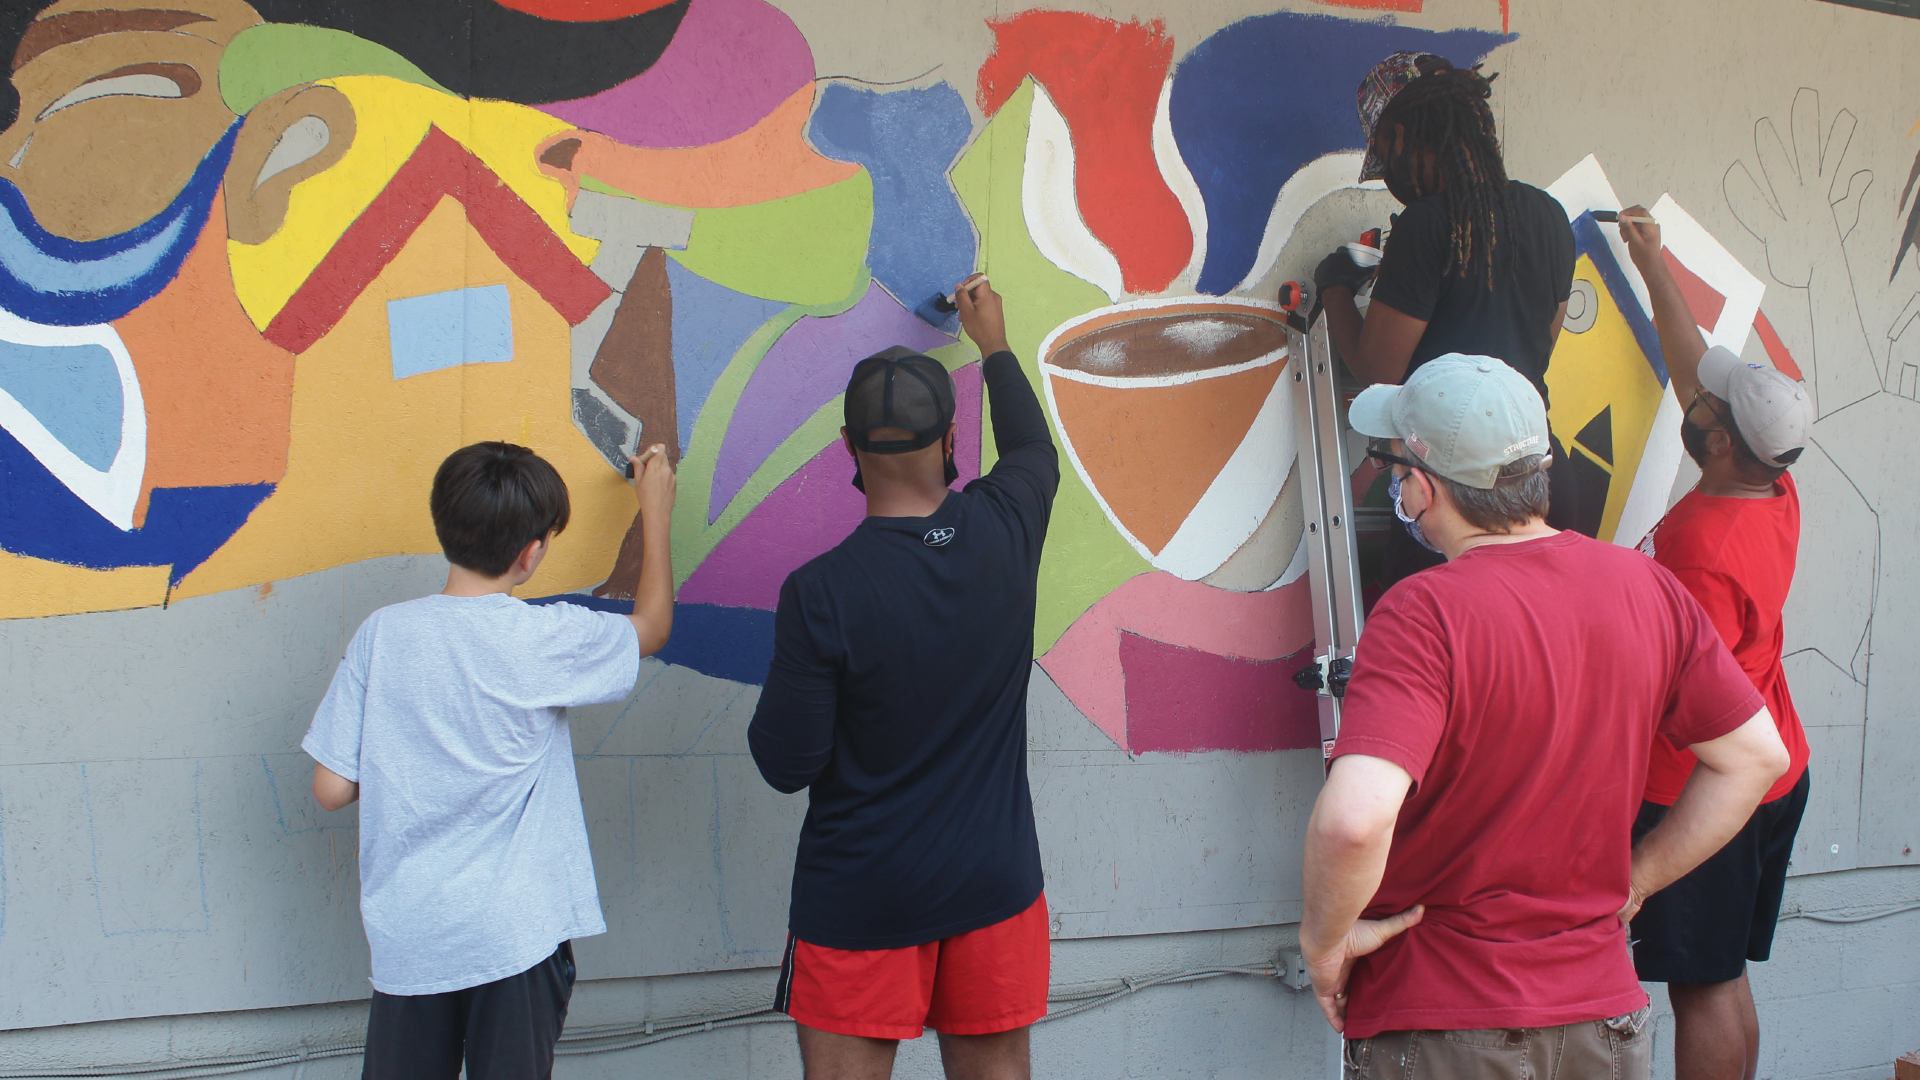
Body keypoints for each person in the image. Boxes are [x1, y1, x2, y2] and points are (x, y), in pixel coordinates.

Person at [1298, 354, 1791, 1079]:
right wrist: (1639, 881)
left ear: (1425, 488)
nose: (1398, 487)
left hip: (1441, 1018)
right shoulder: (1644, 586)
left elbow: (1353, 821)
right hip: (1602, 1019)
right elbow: (1757, 757)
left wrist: (1324, 942)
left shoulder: (1423, 611)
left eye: (1396, 469)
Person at [747, 276, 1056, 1080]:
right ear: (951, 439)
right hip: (995, 888)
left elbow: (786, 766)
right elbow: (1032, 450)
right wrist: (993, 342)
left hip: (861, 898)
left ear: (848, 448)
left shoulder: (821, 593)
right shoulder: (1006, 526)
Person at [302, 440, 677, 1079]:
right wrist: (656, 512)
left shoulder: (383, 633)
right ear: (530, 554)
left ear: (442, 524)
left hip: (411, 937)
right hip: (515, 936)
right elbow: (650, 627)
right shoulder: (542, 637)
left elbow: (332, 788)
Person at [1617, 206, 1815, 1080]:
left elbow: (1666, 689)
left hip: (1704, 787)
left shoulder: (1703, 549)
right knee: (1726, 980)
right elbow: (1693, 367)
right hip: (1776, 763)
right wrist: (1653, 261)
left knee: (1700, 988)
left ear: (1720, 440)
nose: (1695, 395)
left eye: (1707, 407)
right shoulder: (1773, 489)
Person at [1314, 52, 1579, 582]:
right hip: (1538, 476)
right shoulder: (1548, 215)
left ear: (1407, 134)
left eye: (1385, 158)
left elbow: (1377, 373)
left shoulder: (1429, 225)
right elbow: (1539, 343)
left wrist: (1334, 287)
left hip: (1450, 492)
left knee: (1440, 649)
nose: (1390, 179)